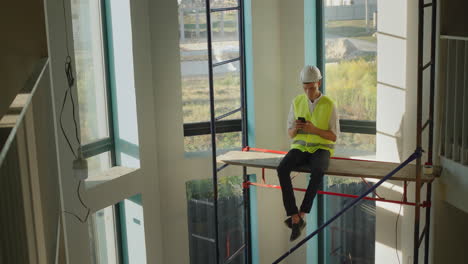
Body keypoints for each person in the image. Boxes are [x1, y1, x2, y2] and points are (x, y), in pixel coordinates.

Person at [277, 65, 339, 241]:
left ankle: (303, 212)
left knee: (318, 171)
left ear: (319, 83)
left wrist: (314, 129)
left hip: (321, 148)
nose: (308, 92)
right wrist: (296, 129)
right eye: (305, 88)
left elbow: (333, 136)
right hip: (301, 147)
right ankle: (294, 215)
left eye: (312, 88)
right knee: (282, 169)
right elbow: (290, 134)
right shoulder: (297, 102)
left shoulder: (329, 104)